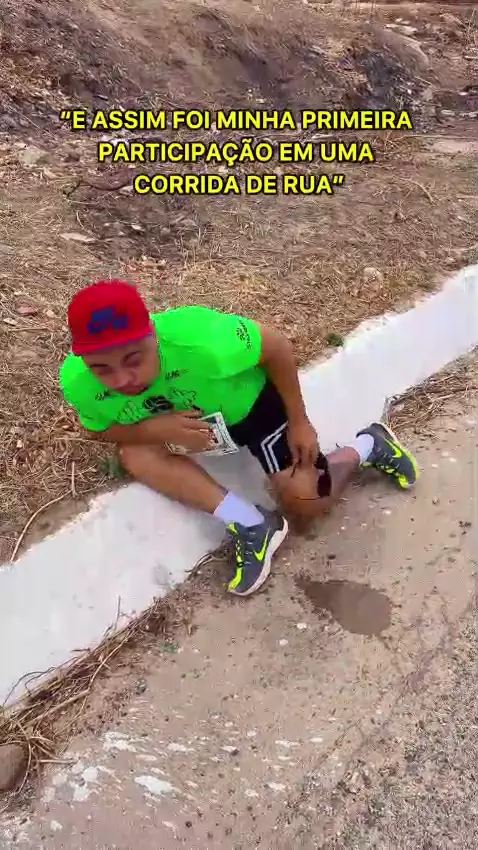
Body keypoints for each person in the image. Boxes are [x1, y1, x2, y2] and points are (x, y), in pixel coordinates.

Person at [60, 279, 420, 597]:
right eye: (101, 369)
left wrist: (299, 421)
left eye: (133, 359)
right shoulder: (78, 381)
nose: (122, 380)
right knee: (136, 454)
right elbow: (96, 428)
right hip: (184, 428)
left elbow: (276, 347)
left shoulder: (203, 340)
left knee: (306, 502)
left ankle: (368, 445)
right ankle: (252, 523)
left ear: (152, 334)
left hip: (253, 412)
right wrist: (155, 429)